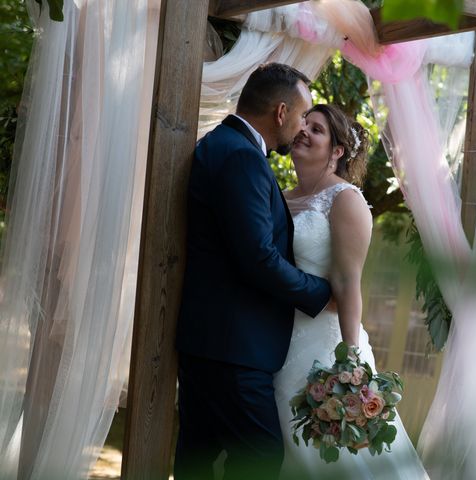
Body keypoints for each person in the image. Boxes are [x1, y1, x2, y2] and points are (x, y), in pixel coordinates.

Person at [174, 63, 332, 480]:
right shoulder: (242, 158)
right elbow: (258, 257)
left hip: (212, 344)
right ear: (281, 112)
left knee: (198, 462)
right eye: (301, 117)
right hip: (234, 350)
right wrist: (321, 291)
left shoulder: (220, 144)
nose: (301, 128)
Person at [273, 104, 430, 479]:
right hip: (275, 344)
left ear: (338, 150)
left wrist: (351, 364)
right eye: (303, 124)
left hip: (324, 348)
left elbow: (347, 283)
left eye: (318, 129)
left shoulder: (346, 200)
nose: (304, 132)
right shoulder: (278, 195)